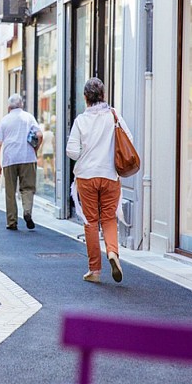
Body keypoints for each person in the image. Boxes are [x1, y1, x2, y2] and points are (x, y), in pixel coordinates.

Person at [66, 77, 132, 284]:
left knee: (91, 222)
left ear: (85, 97)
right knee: (109, 218)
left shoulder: (80, 121)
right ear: (103, 95)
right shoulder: (114, 116)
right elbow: (128, 139)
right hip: (110, 175)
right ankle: (113, 252)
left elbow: (71, 151)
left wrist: (86, 152)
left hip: (86, 176)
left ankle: (94, 270)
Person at [0, 94, 42, 231]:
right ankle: (27, 211)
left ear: (9, 107)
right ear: (21, 105)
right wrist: (35, 150)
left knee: (10, 191)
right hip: (27, 157)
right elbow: (39, 135)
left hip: (10, 159)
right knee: (27, 188)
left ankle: (12, 221)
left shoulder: (5, 121)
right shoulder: (28, 117)